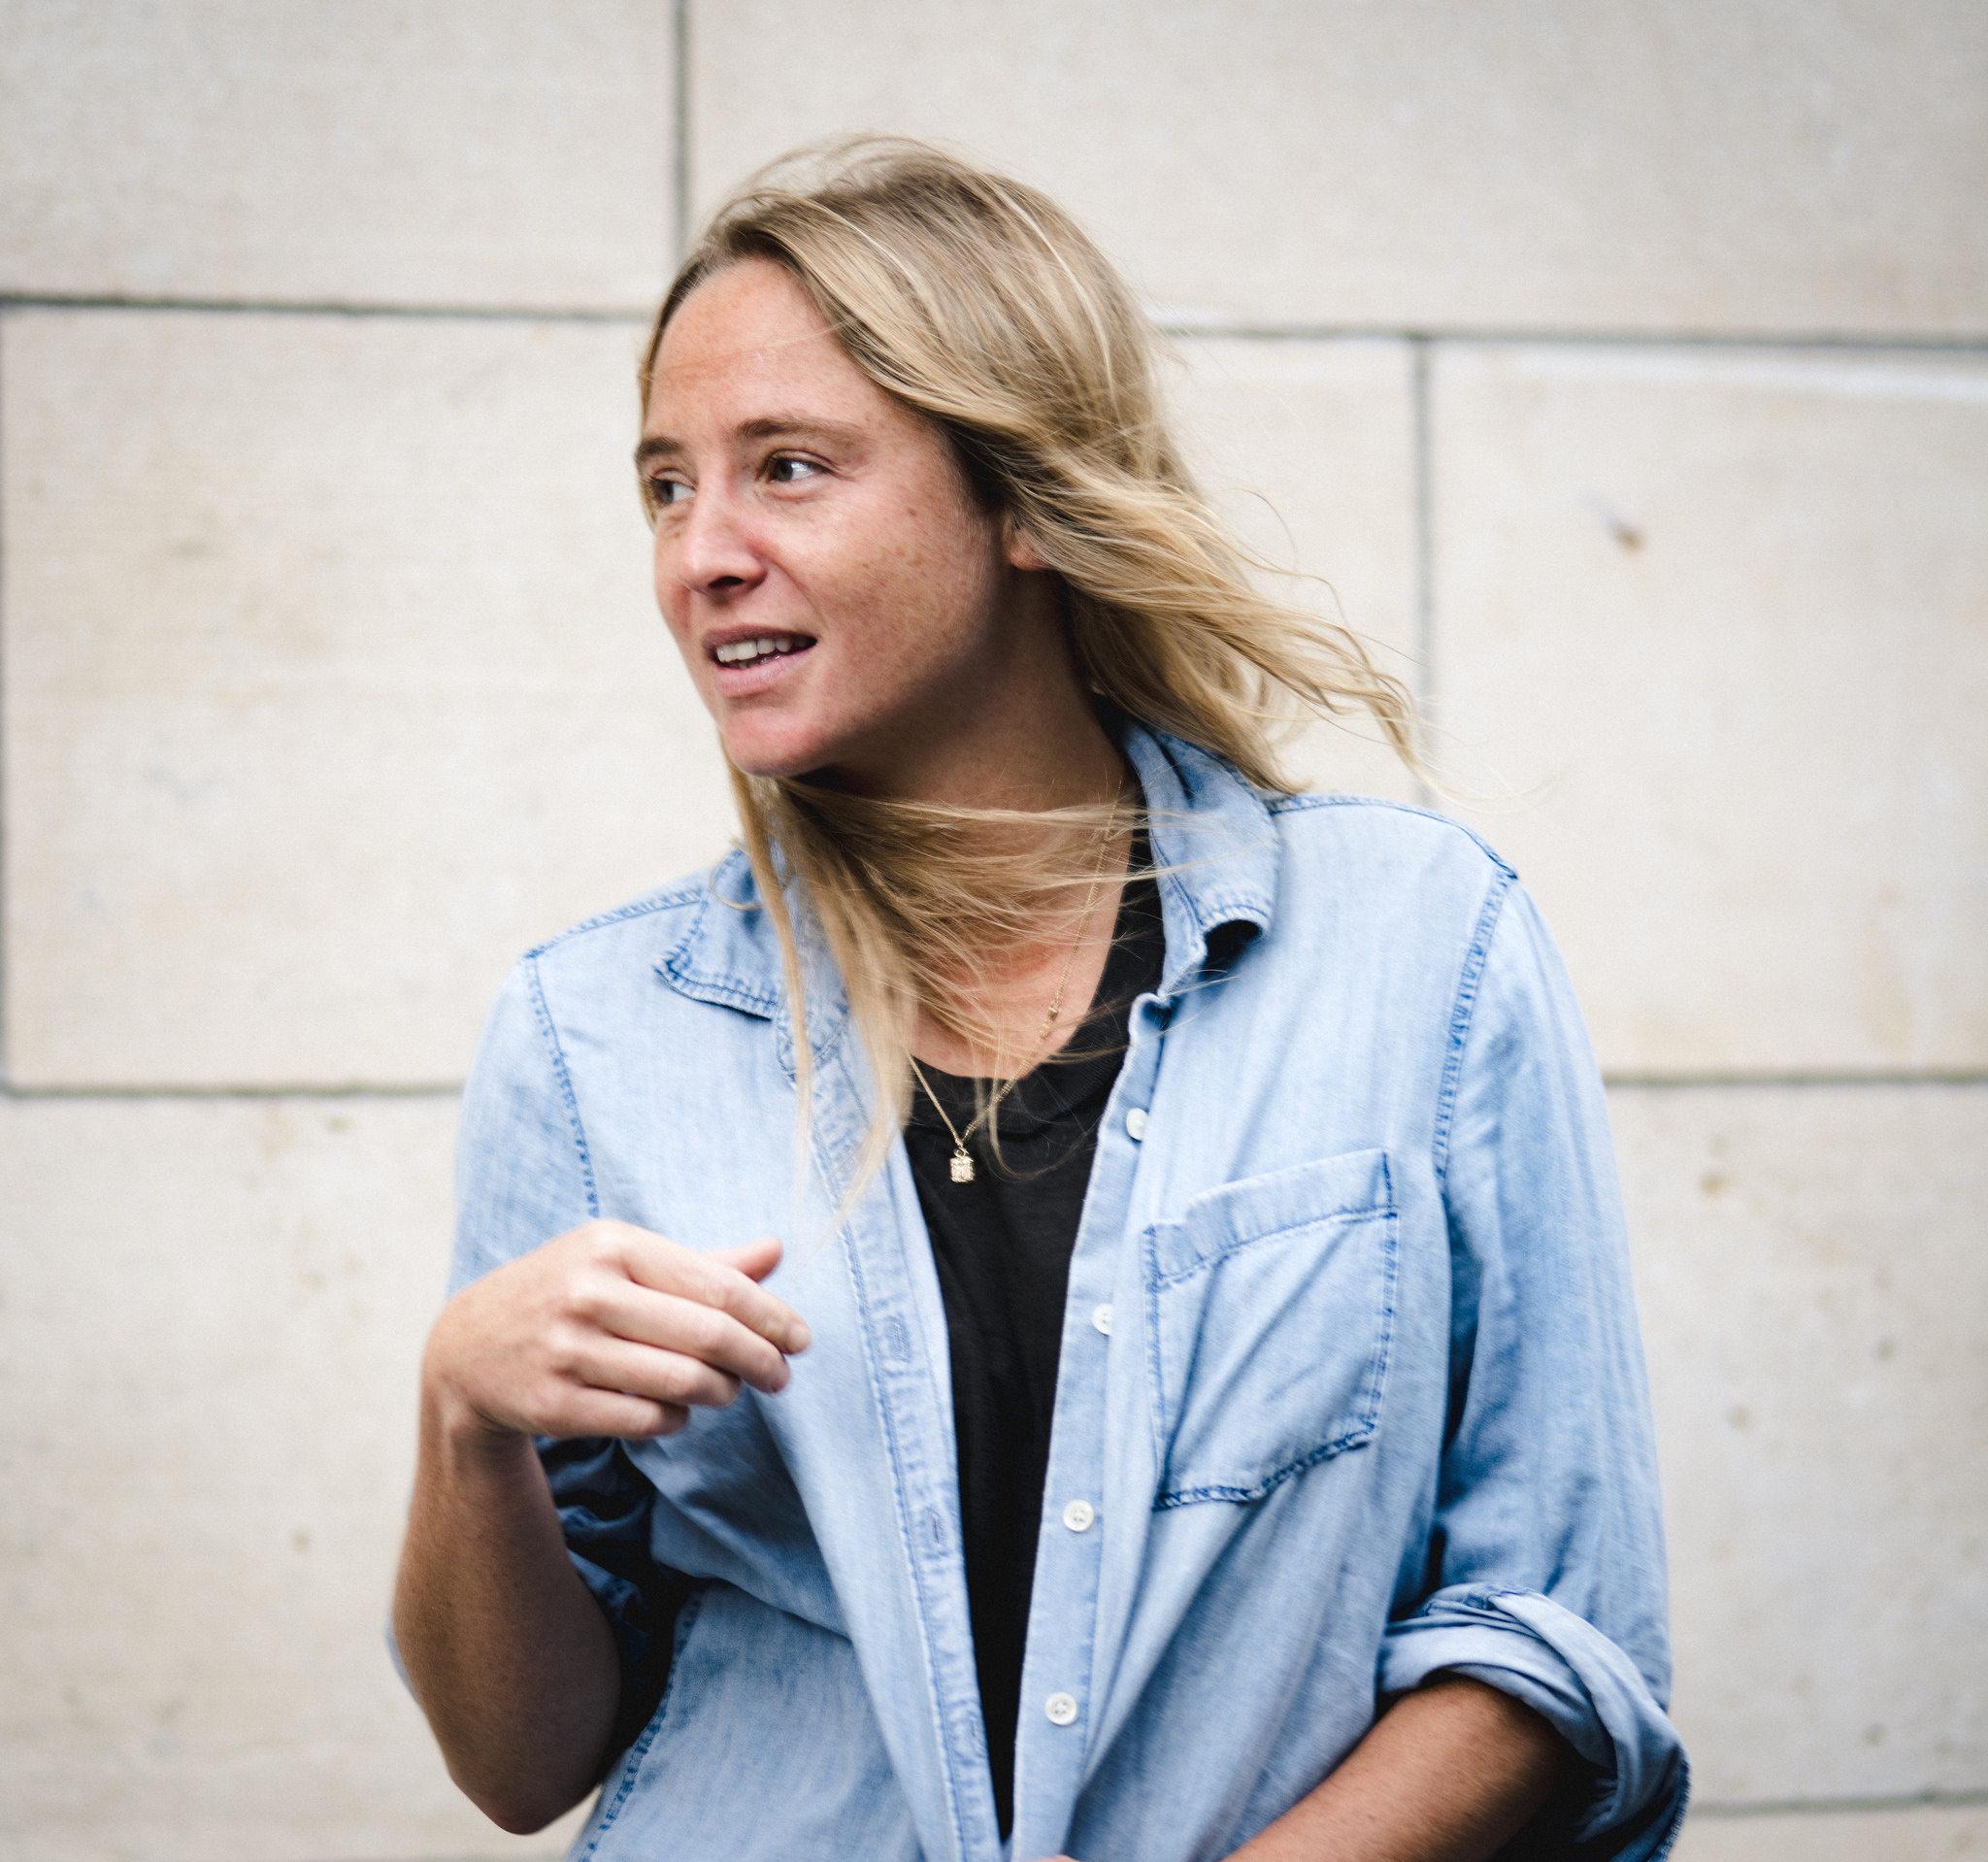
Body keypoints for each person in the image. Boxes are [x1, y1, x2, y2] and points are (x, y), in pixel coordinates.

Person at [392, 139, 1688, 1862]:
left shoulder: (1421, 947)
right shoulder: (588, 1031)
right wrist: (466, 1422)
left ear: (1022, 500)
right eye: (665, 486)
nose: (702, 553)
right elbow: (518, 1762)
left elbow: (1557, 1634)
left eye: (788, 468)